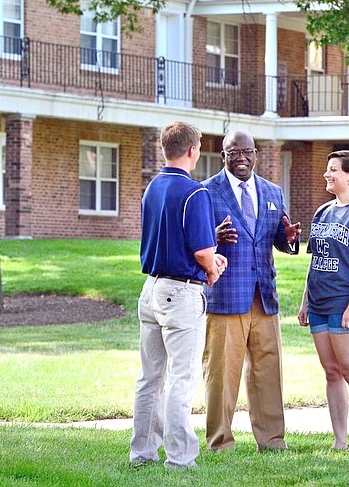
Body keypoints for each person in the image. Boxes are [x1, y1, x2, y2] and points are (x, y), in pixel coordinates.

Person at [130, 121, 228, 469]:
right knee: (181, 378)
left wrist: (206, 258)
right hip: (180, 293)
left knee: (150, 377)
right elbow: (203, 251)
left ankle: (142, 452)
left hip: (151, 288)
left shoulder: (152, 188)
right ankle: (181, 457)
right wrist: (214, 268)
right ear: (191, 150)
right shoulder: (194, 192)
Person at [202, 131, 301, 452]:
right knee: (221, 374)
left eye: (247, 152)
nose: (241, 158)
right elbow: (195, 242)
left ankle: (272, 441)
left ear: (256, 154)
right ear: (223, 156)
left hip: (264, 297)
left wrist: (288, 238)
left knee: (268, 372)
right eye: (234, 152)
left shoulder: (273, 191)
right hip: (226, 296)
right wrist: (212, 236)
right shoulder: (206, 192)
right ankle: (220, 442)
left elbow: (278, 240)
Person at [297, 150, 349, 450]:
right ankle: (339, 441)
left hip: (345, 303)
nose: (327, 175)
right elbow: (315, 260)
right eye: (327, 169)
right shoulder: (322, 212)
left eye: (333, 169)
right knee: (331, 372)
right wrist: (305, 300)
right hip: (319, 303)